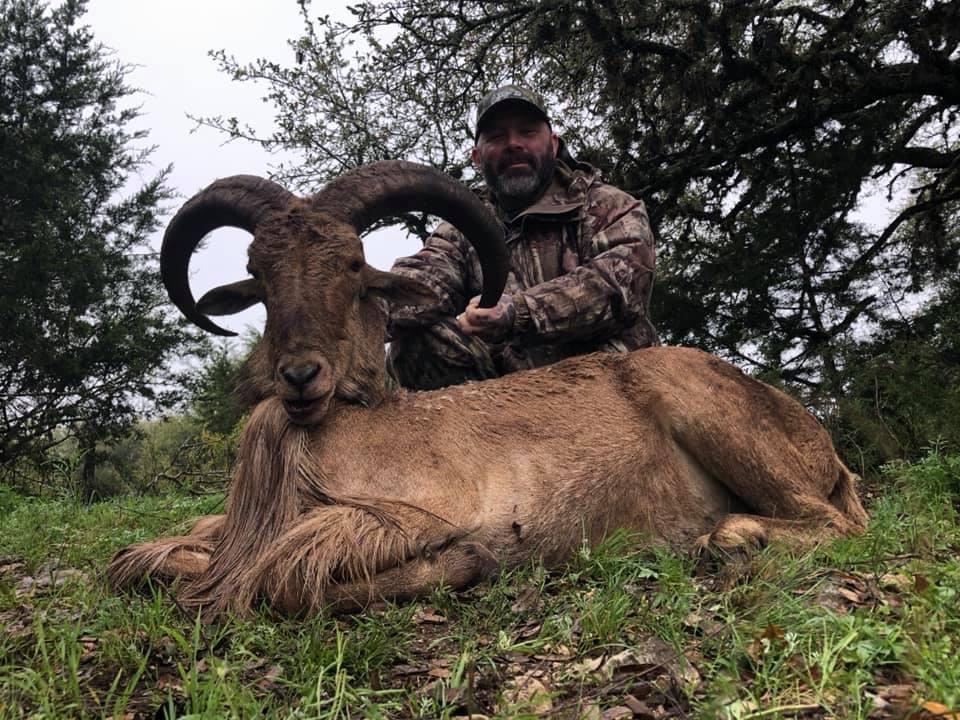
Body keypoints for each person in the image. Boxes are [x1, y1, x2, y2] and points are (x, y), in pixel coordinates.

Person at [387, 84, 658, 390]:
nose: (513, 143)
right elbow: (425, 278)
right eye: (497, 136)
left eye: (527, 132)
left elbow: (620, 287)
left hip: (606, 385)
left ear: (553, 144)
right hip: (506, 395)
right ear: (476, 156)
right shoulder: (460, 228)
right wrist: (371, 306)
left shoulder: (610, 206)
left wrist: (519, 312)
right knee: (415, 338)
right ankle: (474, 421)